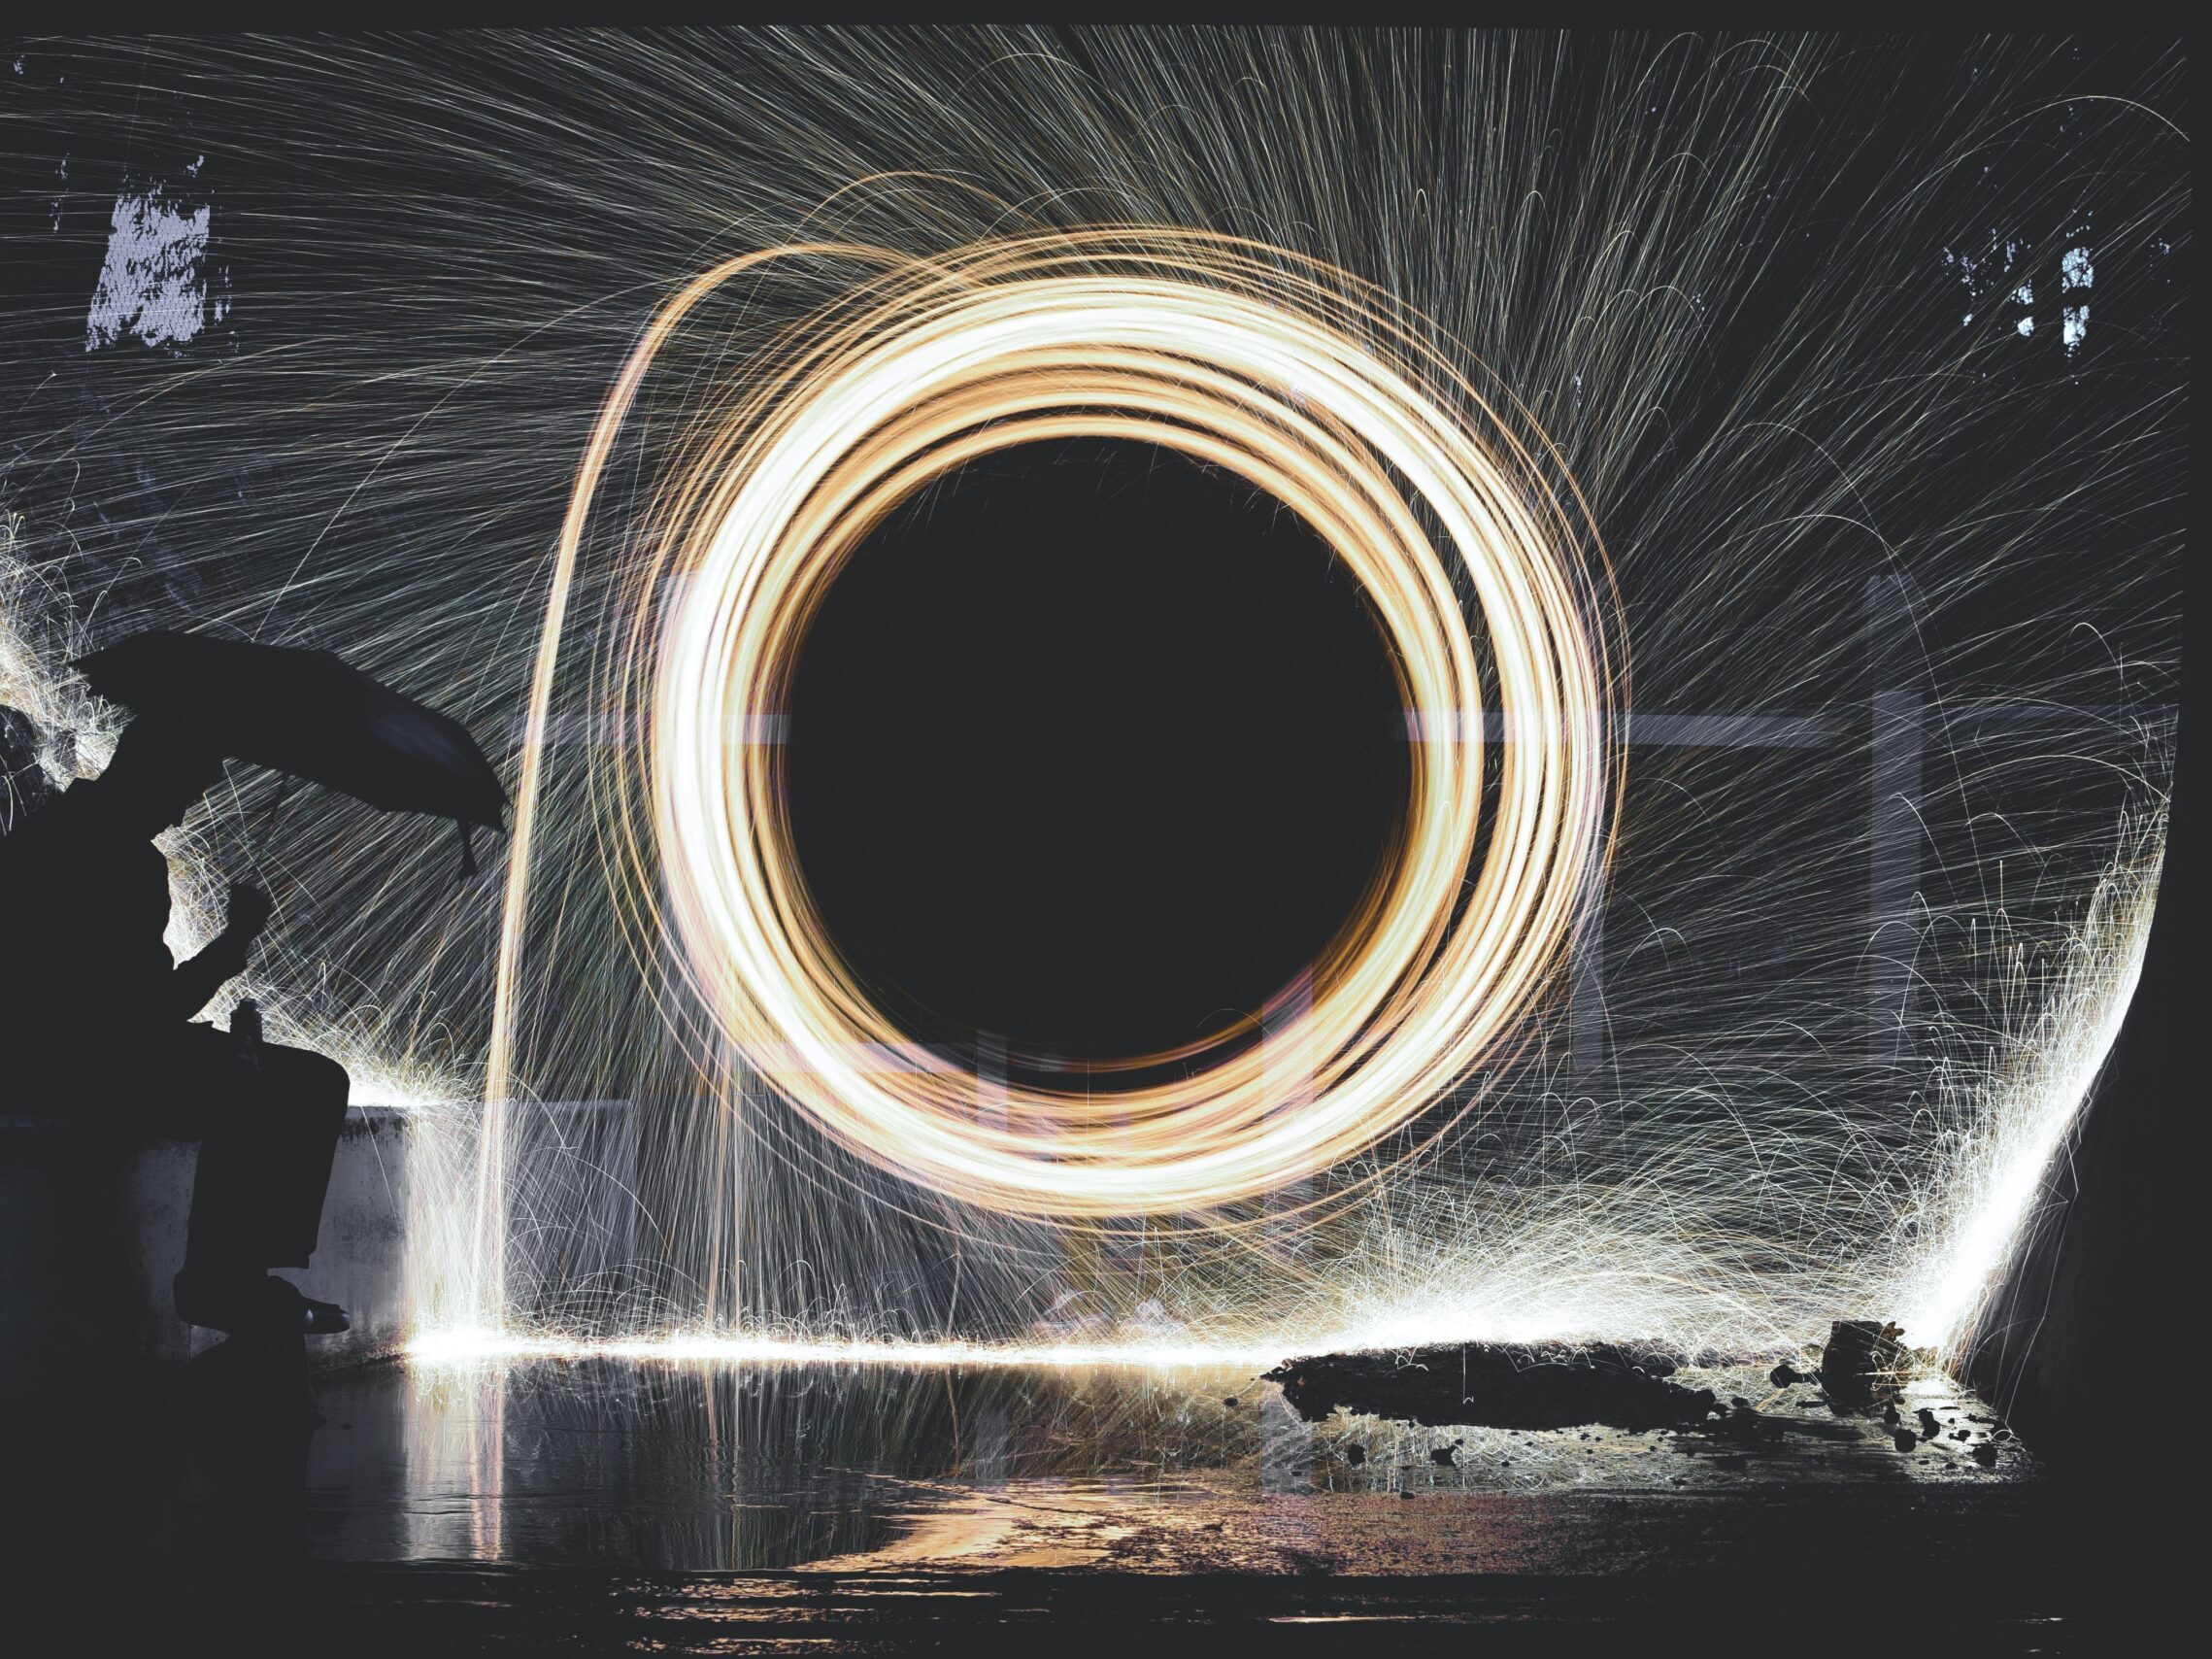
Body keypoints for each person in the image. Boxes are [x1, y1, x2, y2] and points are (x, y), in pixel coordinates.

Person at [0, 712, 352, 1337]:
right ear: (150, 775)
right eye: (183, 796)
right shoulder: (120, 861)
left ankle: (241, 1278)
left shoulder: (48, 834)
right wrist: (234, 942)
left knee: (284, 1077)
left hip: (50, 1053)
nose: (182, 818)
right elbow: (147, 1011)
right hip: (84, 1067)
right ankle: (223, 1284)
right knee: (295, 1084)